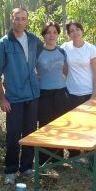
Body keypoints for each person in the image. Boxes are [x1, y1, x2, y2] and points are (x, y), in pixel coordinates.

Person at [0, 8, 43, 185]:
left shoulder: (34, 40)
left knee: (30, 132)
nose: (20, 22)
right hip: (13, 97)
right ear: (12, 20)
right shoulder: (4, 43)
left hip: (33, 95)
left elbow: (45, 57)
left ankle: (26, 167)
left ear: (27, 21)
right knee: (13, 134)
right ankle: (10, 170)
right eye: (17, 19)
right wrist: (2, 98)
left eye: (23, 19)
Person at [61, 21, 96, 161]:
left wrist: (94, 94)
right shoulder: (65, 48)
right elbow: (63, 68)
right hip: (71, 93)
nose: (75, 32)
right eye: (71, 30)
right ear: (68, 34)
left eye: (77, 29)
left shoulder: (90, 48)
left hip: (88, 93)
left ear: (82, 31)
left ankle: (90, 156)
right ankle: (74, 155)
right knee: (73, 126)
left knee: (89, 125)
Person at [36, 21, 68, 164]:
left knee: (59, 125)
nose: (51, 35)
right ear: (44, 35)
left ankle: (58, 158)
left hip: (60, 93)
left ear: (58, 34)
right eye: (48, 32)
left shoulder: (62, 51)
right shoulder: (38, 52)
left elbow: (65, 71)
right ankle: (44, 160)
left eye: (55, 32)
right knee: (45, 126)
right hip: (44, 94)